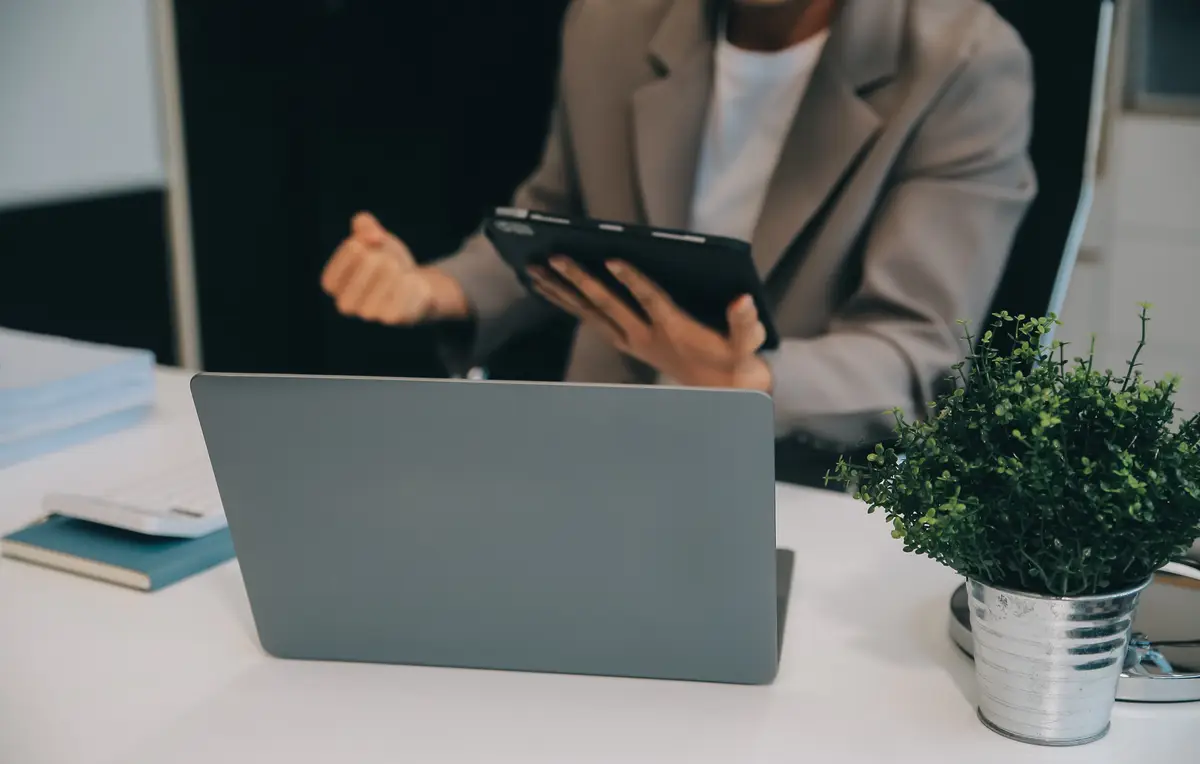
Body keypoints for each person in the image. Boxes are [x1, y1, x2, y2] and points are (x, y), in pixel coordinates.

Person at [319, 0, 1035, 454]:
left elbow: (919, 352)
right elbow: (563, 224)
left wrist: (751, 381)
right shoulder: (611, 23)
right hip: (596, 455)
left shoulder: (961, 61)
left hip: (807, 487)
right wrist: (435, 287)